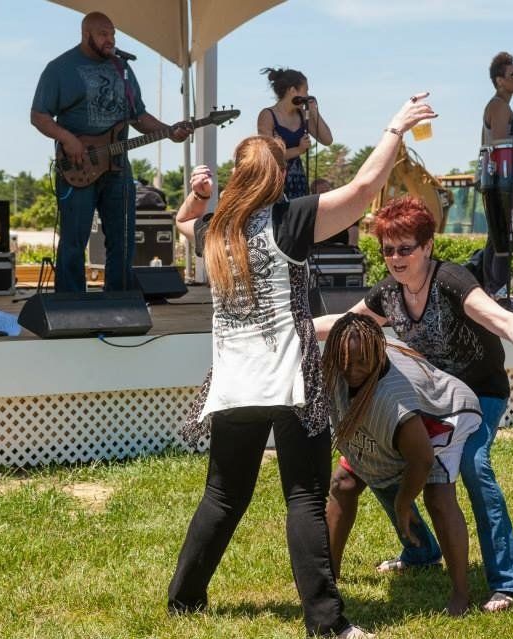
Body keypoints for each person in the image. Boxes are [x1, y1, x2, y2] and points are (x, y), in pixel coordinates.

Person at [169, 95, 436, 638]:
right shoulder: (288, 220)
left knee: (222, 496)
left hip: (231, 384)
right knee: (304, 498)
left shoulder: (215, 231)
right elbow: (363, 191)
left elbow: (182, 224)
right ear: (275, 177)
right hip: (290, 381)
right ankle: (327, 624)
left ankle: (184, 601)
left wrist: (196, 196)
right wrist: (395, 126)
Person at [315, 195, 513, 613]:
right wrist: (289, 332)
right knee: (370, 462)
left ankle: (509, 583)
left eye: (406, 248)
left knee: (473, 466)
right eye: (388, 249)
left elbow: (498, 316)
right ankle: (419, 549)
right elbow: (343, 323)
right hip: (431, 396)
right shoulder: (389, 293)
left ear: (427, 247)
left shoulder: (451, 280)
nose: (396, 258)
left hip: (478, 394)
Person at [322, 313, 482, 616]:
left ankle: (461, 593)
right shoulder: (337, 367)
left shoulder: (395, 402)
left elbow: (420, 461)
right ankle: (328, 578)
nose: (351, 370)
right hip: (404, 426)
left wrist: (403, 503)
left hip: (442, 417)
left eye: (360, 363)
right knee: (343, 483)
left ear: (377, 355)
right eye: (345, 361)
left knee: (437, 497)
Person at [31, 11, 189, 293]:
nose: (110, 39)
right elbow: (39, 116)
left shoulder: (122, 68)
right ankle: (71, 305)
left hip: (117, 168)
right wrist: (67, 138)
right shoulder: (60, 68)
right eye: (103, 34)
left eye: (113, 34)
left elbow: (138, 116)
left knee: (123, 239)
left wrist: (169, 131)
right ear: (86, 34)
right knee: (74, 239)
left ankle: (118, 302)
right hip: (78, 165)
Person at [480, 51, 513, 298]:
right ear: (500, 81)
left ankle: (493, 292)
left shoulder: (502, 105)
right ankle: (498, 294)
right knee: (502, 238)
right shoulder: (498, 106)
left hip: (498, 181)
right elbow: (501, 147)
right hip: (502, 181)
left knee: (496, 237)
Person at [256, 67, 333, 200]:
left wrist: (314, 112)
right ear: (292, 91)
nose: (307, 94)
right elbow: (268, 155)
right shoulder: (267, 115)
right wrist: (299, 149)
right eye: (305, 90)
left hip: (298, 181)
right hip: (275, 181)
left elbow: (327, 140)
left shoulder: (302, 114)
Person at [311, 178, 359, 247]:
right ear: (314, 195)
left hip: (343, 252)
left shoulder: (346, 210)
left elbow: (353, 240)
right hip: (319, 253)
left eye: (328, 191)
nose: (326, 194)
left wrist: (350, 250)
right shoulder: (311, 214)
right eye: (322, 192)